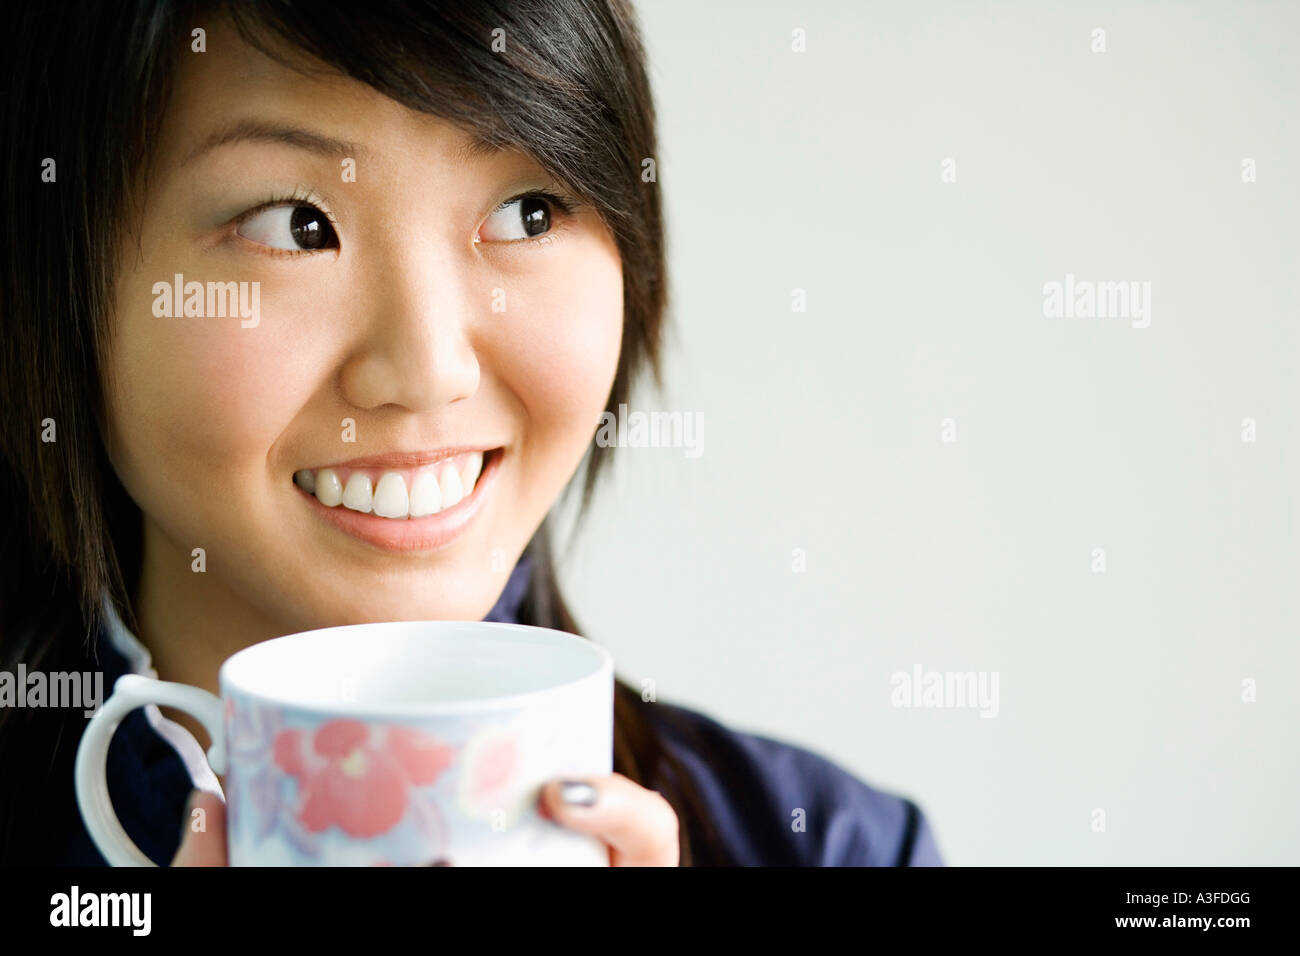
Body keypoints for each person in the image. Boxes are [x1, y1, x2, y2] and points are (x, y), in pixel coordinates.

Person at [0, 0, 943, 867]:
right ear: (63, 294)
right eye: (294, 225)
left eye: (526, 212)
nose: (429, 369)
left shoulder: (838, 847)